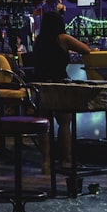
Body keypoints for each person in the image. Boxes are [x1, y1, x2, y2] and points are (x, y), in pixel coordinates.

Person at [31, 10, 92, 175]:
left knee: (44, 125)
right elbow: (86, 50)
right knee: (64, 124)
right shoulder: (63, 38)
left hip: (40, 86)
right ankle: (66, 159)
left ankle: (45, 163)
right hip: (59, 85)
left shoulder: (39, 41)